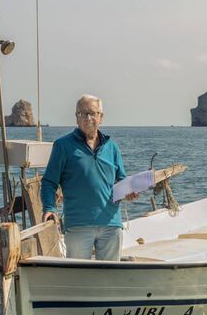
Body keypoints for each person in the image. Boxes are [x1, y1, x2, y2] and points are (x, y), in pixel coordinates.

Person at [41, 94, 137, 261]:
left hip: (111, 224)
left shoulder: (112, 147)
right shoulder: (63, 146)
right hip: (78, 225)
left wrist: (129, 191)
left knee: (109, 278)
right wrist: (49, 208)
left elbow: (120, 181)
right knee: (78, 276)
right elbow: (49, 182)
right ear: (76, 118)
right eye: (82, 113)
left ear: (101, 117)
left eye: (92, 113)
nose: (88, 118)